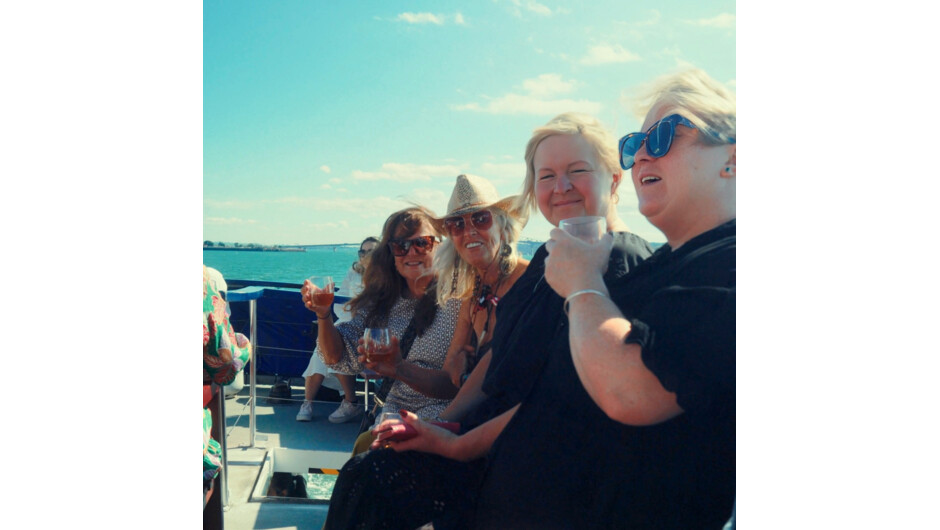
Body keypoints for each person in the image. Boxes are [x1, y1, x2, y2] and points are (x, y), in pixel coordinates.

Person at [381, 69, 737, 528]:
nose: (644, 153)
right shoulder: (660, 264)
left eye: (667, 135)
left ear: (733, 159)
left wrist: (584, 282)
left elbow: (616, 395)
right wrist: (447, 424)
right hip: (515, 487)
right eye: (637, 143)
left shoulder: (655, 262)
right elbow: (514, 374)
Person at [323, 113, 654, 529]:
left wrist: (455, 443)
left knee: (369, 478)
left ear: (614, 178)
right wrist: (440, 424)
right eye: (546, 176)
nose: (561, 187)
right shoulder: (541, 266)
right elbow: (495, 363)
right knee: (368, 472)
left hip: (536, 467)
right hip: (493, 441)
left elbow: (560, 401)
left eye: (577, 171)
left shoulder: (614, 263)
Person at [301, 207, 462, 437]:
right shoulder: (383, 303)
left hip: (446, 417)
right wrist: (323, 315)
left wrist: (399, 368)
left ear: (440, 245)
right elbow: (336, 357)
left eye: (422, 243)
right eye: (400, 246)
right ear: (391, 254)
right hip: (393, 415)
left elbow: (456, 385)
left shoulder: (460, 301)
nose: (411, 252)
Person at [296, 236, 380, 423]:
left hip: (374, 327)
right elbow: (339, 300)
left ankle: (349, 402)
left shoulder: (387, 276)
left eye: (371, 251)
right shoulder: (354, 271)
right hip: (349, 320)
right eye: (362, 251)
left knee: (334, 344)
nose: (365, 255)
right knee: (322, 350)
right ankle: (309, 402)